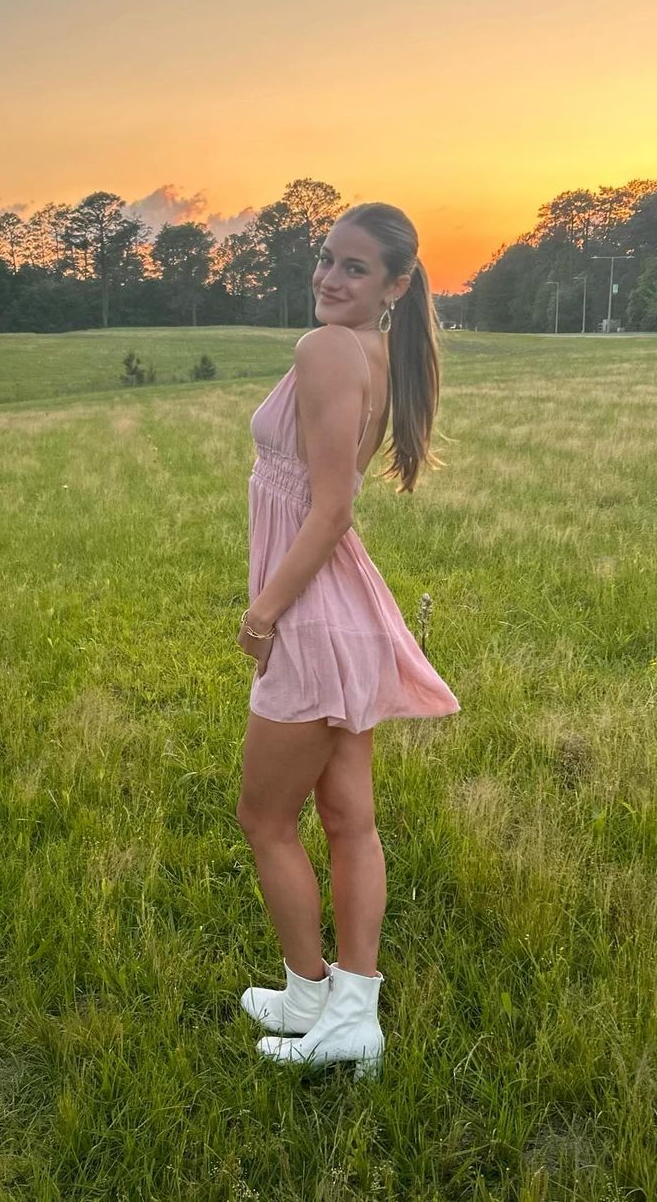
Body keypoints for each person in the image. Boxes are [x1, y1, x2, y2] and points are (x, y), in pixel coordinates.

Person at [235, 202, 461, 1080]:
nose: (329, 278)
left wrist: (263, 615)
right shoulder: (372, 351)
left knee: (266, 818)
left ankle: (315, 993)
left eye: (355, 268)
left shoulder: (328, 349)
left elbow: (330, 511)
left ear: (396, 285)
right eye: (327, 259)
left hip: (314, 616)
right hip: (341, 611)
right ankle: (340, 1009)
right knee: (348, 819)